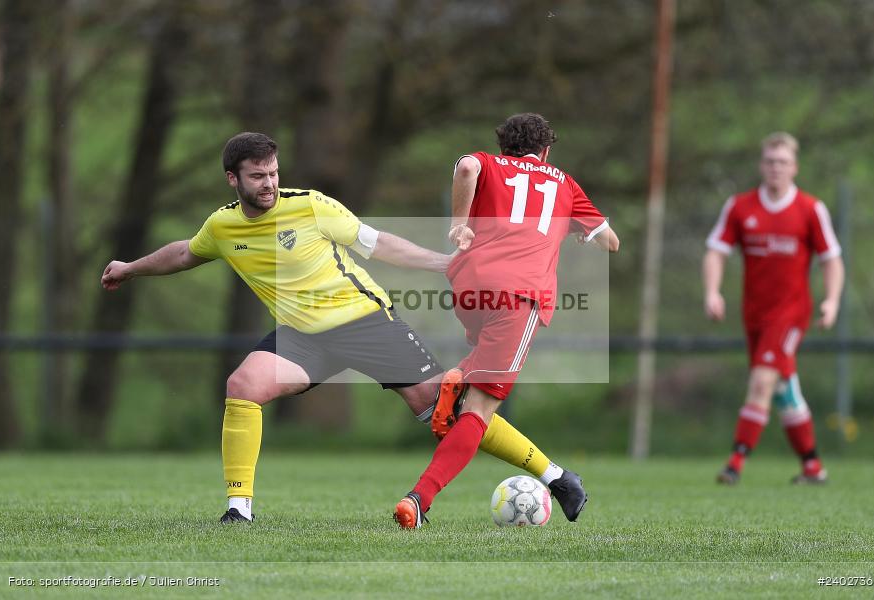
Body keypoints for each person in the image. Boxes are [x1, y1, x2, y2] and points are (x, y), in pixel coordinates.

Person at [101, 132, 587, 523]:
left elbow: (378, 244)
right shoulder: (222, 226)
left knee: (448, 412)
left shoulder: (311, 205)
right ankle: (238, 509)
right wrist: (129, 268)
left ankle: (557, 476)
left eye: (273, 172)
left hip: (366, 322)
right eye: (257, 176)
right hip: (301, 337)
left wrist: (444, 263)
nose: (269, 183)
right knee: (242, 386)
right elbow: (185, 252)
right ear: (233, 179)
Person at [393, 113, 620, 528]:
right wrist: (572, 228)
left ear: (504, 147)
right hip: (519, 295)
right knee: (478, 412)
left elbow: (466, 166)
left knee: (479, 370)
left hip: (468, 287)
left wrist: (459, 226)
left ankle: (556, 476)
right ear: (546, 150)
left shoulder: (490, 164)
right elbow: (611, 242)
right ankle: (419, 499)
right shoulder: (564, 183)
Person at [703, 132, 844, 485]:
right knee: (784, 388)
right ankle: (813, 467)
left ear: (794, 167)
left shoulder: (811, 209)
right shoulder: (740, 206)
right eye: (769, 161)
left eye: (782, 162)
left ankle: (735, 462)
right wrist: (712, 291)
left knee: (763, 381)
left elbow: (832, 260)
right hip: (754, 314)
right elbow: (716, 251)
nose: (775, 168)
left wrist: (832, 299)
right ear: (761, 165)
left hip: (792, 313)